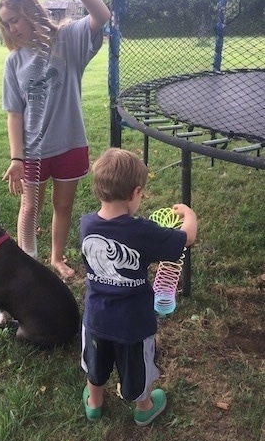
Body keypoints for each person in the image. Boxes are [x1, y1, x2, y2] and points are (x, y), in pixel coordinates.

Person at [0, 0, 110, 279]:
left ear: (30, 10)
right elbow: (15, 113)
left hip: (70, 144)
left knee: (63, 206)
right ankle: (27, 266)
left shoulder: (68, 39)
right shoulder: (14, 62)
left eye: (15, 19)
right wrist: (16, 157)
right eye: (6, 23)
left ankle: (56, 259)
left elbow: (101, 15)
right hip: (32, 151)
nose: (12, 28)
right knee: (30, 209)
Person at [80, 148, 197, 425]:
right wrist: (189, 215)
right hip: (132, 324)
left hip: (95, 317)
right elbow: (186, 239)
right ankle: (143, 407)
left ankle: (94, 403)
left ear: (98, 190)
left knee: (95, 363)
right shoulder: (142, 231)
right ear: (135, 193)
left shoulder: (86, 224)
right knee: (137, 369)